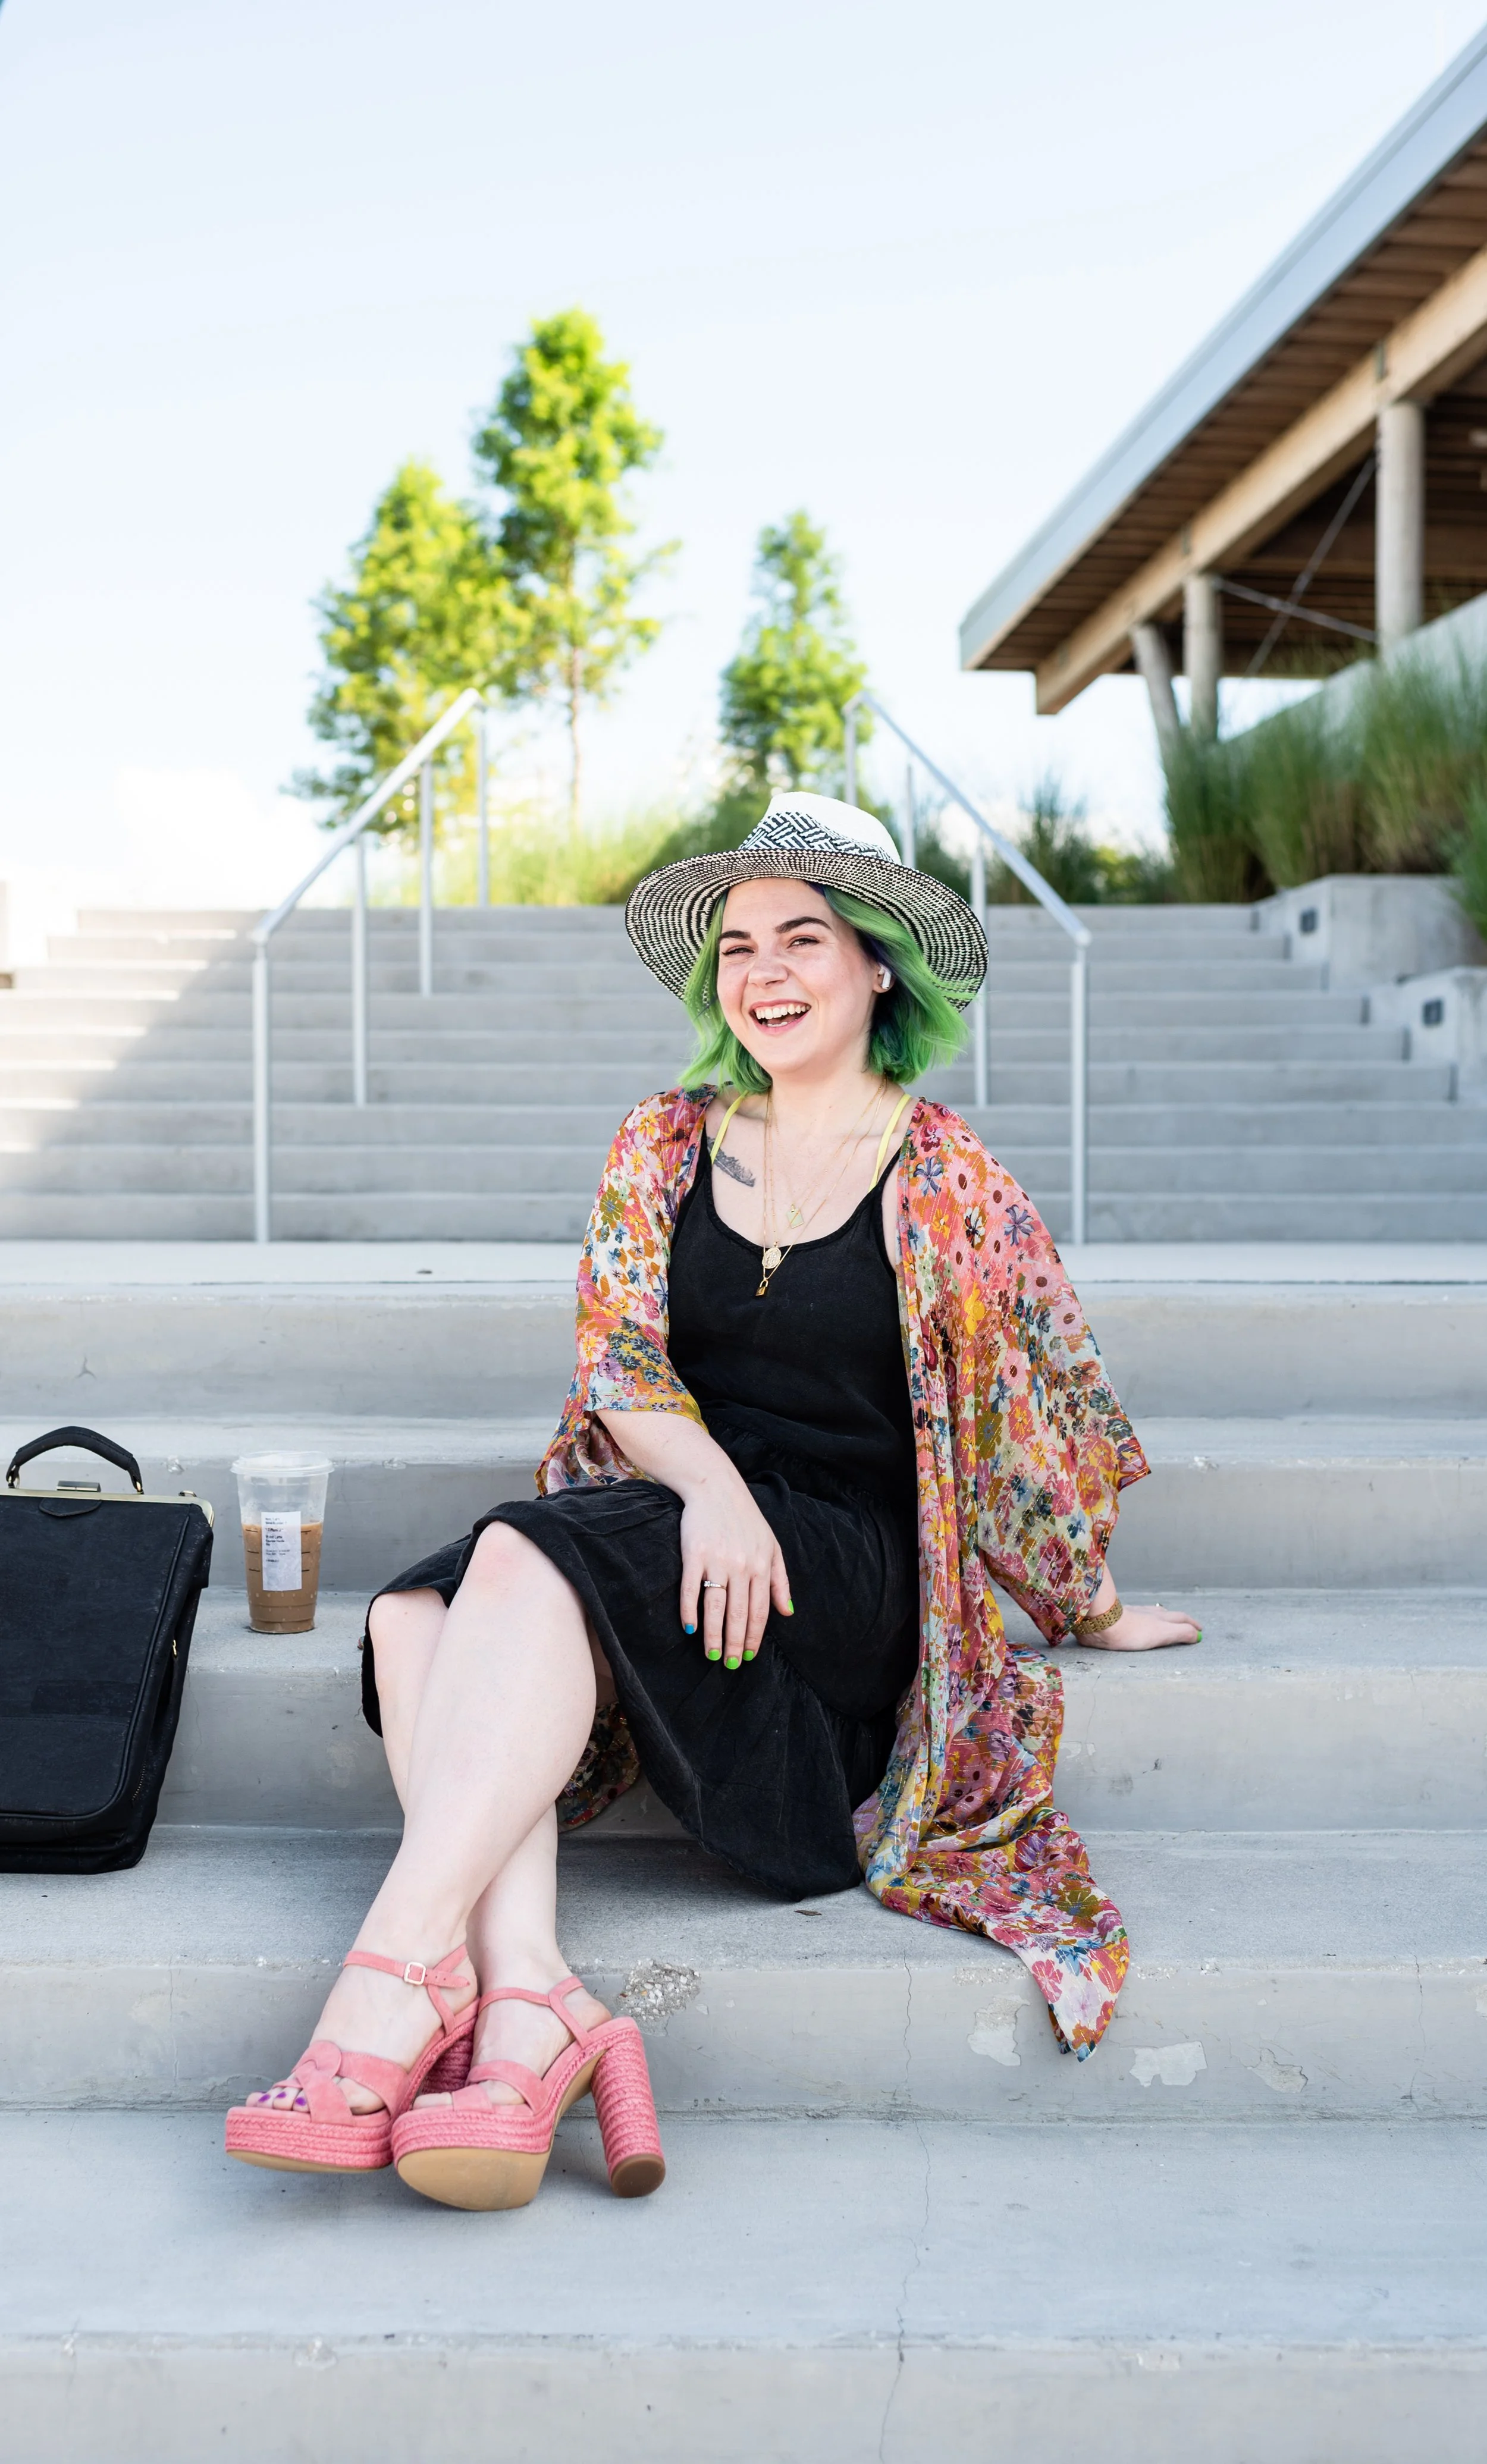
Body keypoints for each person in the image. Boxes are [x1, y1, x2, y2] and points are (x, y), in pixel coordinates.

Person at [225, 792, 1199, 2209]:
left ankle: (390, 1983)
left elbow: (1024, 1427)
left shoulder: (950, 1181)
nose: (764, 972)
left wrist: (1090, 1606)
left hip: (845, 1571)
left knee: (516, 1560)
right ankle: (529, 2002)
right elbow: (615, 1360)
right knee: (410, 1615)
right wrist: (714, 1492)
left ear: (877, 964)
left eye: (803, 936)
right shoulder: (660, 1140)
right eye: (737, 946)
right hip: (681, 1506)